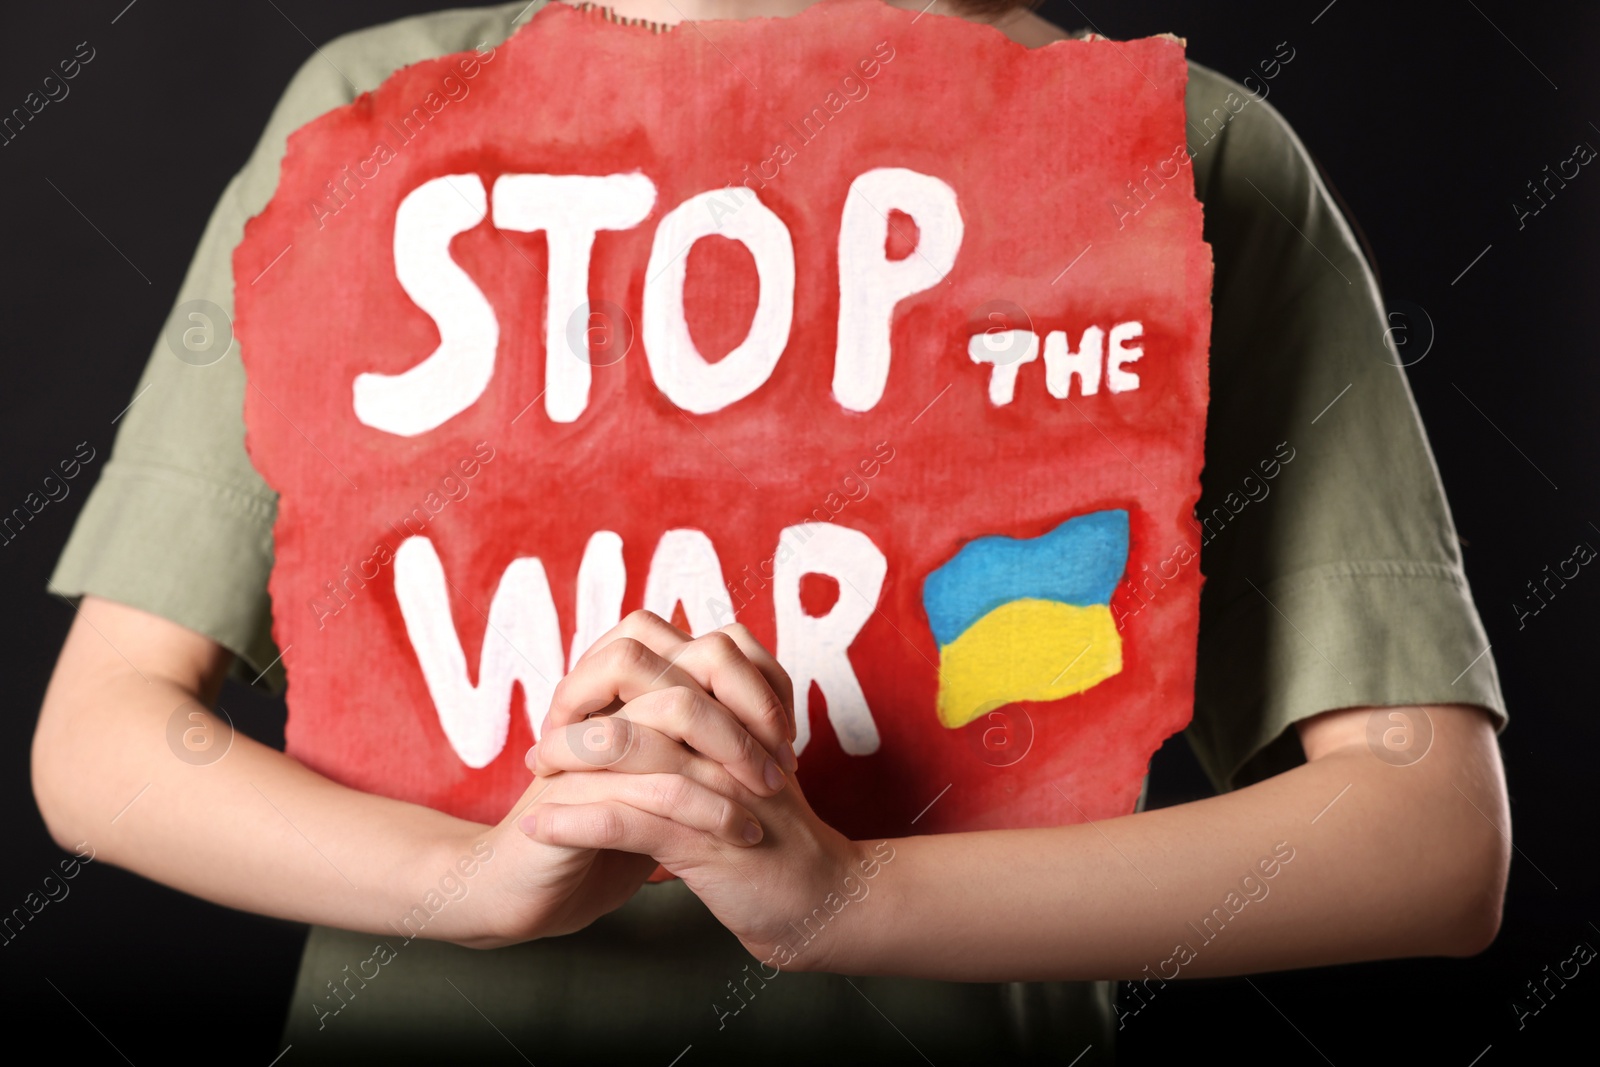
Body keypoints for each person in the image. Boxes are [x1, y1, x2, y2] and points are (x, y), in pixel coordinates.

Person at [30, 1, 1510, 1063]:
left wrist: (853, 900)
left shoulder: (1171, 153)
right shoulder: (379, 110)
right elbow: (101, 737)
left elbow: (1428, 840)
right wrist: (471, 889)